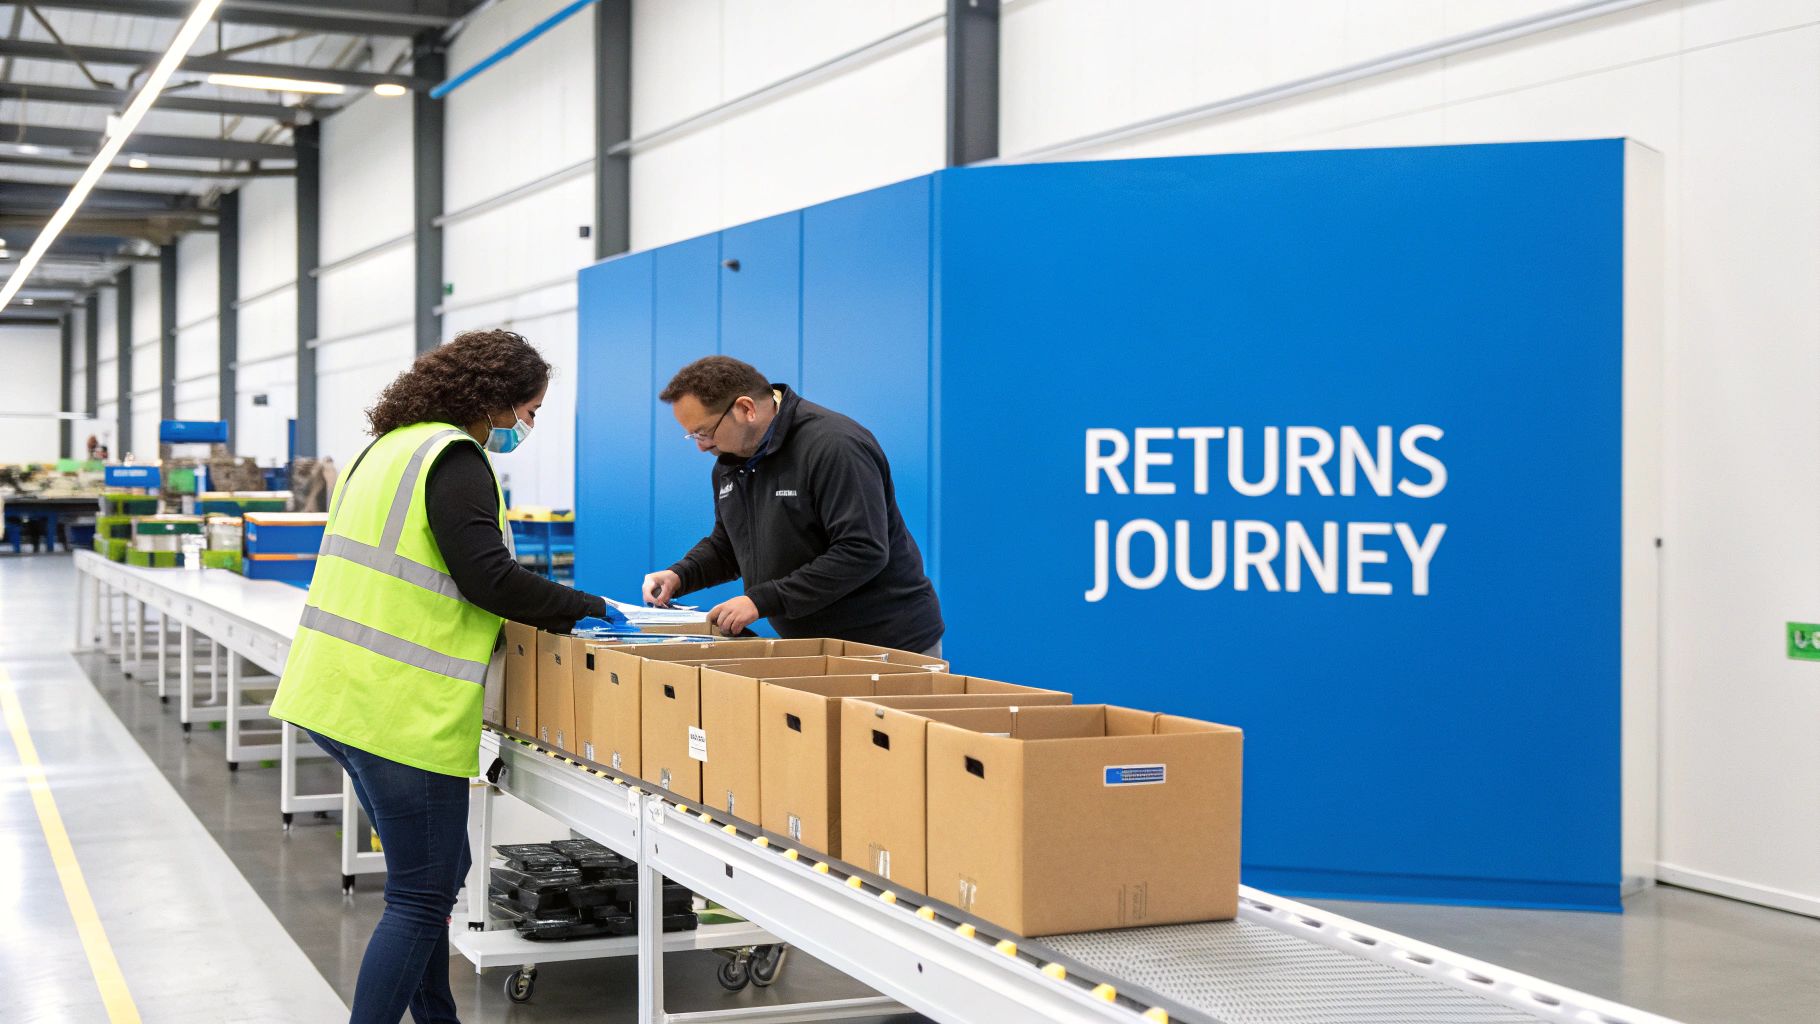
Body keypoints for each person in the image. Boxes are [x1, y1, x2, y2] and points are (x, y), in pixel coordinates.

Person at [271, 329, 610, 1024]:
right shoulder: (454, 459)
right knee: (422, 897)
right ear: (493, 400)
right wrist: (592, 611)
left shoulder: (388, 448)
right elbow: (489, 579)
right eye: (529, 410)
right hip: (397, 711)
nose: (529, 426)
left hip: (337, 693)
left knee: (431, 877)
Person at [642, 355, 944, 657]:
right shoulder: (730, 465)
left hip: (887, 643)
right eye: (692, 435)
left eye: (704, 432)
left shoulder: (834, 446)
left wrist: (761, 600)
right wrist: (680, 575)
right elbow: (730, 546)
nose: (701, 445)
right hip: (813, 647)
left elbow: (862, 550)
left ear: (746, 408)